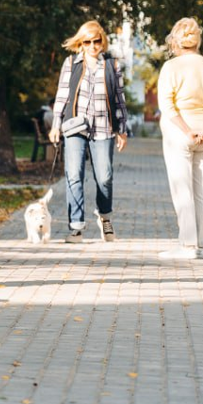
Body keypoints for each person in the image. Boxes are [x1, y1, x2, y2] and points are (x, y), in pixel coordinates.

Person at [48, 20, 129, 243]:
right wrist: (56, 125)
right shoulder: (71, 63)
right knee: (74, 175)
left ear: (102, 41)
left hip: (104, 128)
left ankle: (104, 217)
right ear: (81, 43)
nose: (93, 45)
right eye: (87, 41)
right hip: (75, 126)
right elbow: (62, 95)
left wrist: (122, 130)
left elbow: (120, 100)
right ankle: (76, 227)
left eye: (96, 41)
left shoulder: (112, 66)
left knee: (104, 177)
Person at [156, 18, 203, 260]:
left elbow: (166, 105)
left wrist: (187, 130)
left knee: (182, 188)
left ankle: (187, 246)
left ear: (176, 40)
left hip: (180, 134)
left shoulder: (171, 68)